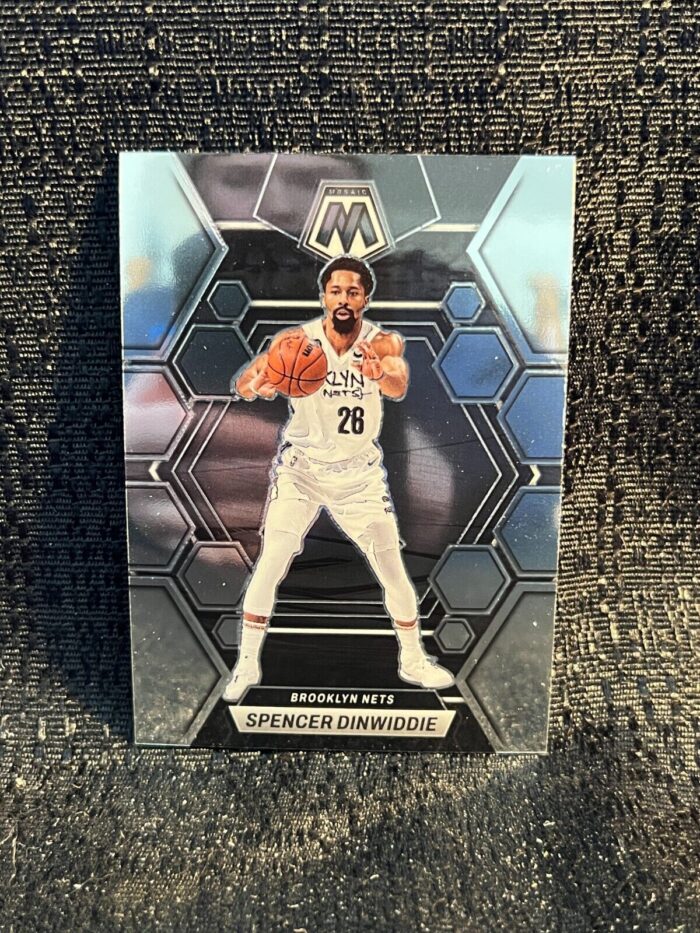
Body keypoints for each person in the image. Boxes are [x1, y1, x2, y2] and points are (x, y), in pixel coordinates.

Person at [224, 255, 453, 702]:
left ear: (365, 298)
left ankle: (413, 660)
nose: (344, 299)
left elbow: (398, 382)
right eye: (336, 291)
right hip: (303, 471)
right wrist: (259, 384)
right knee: (272, 559)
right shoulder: (295, 342)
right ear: (324, 297)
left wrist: (377, 373)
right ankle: (247, 663)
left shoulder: (380, 342)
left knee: (392, 568)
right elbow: (248, 382)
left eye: (353, 291)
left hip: (358, 478)